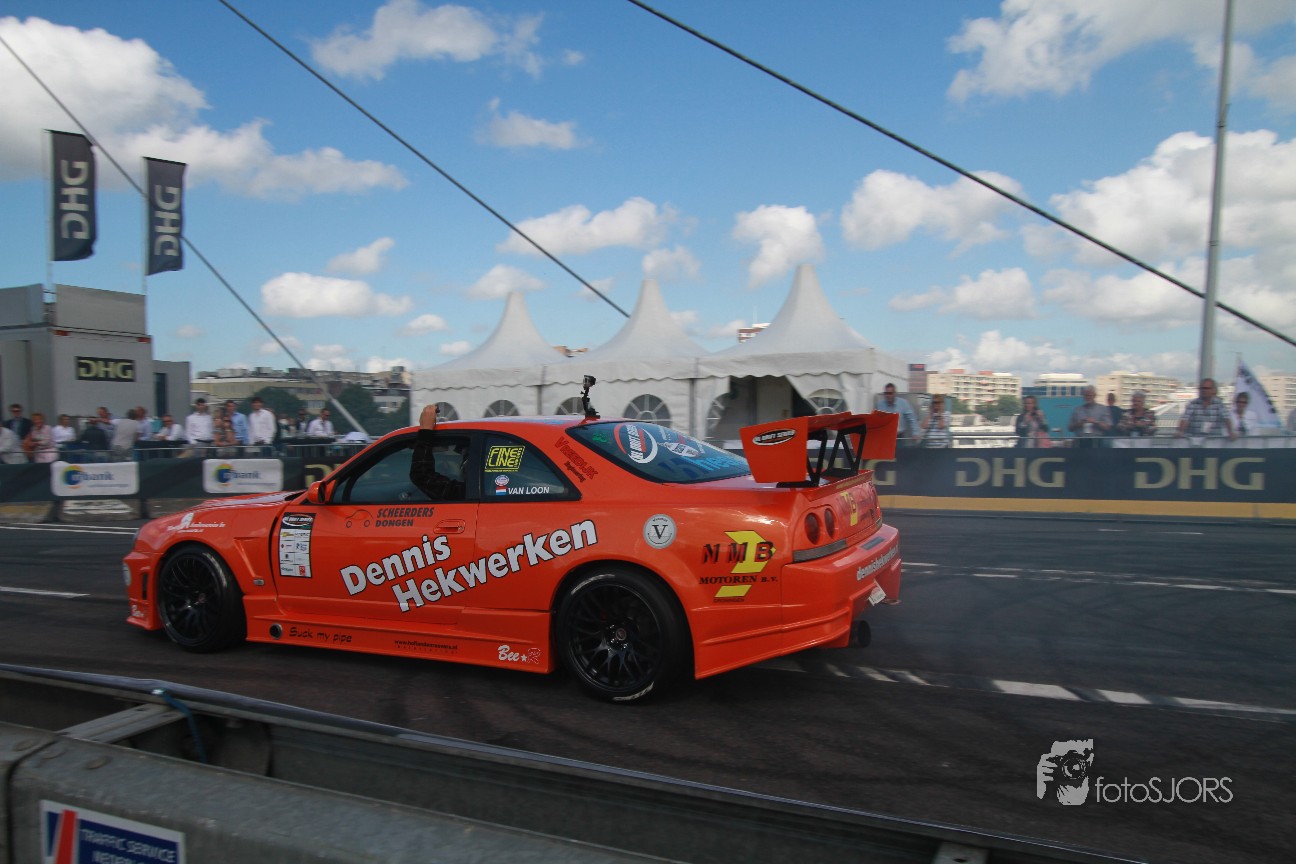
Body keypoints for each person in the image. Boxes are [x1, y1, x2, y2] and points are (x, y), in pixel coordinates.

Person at [408, 404, 465, 500]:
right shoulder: (487, 489)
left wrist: (425, 432)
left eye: (466, 459)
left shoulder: (467, 493)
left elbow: (422, 476)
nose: (462, 465)